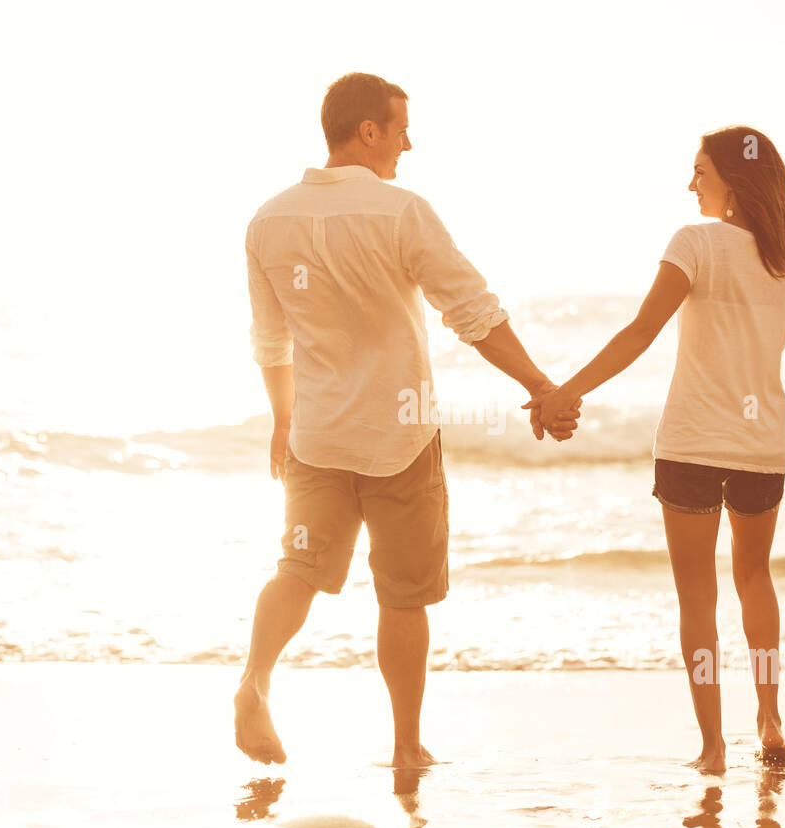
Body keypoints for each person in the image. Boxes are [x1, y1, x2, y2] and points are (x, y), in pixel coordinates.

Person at [235, 72, 581, 769]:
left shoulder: (268, 221)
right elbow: (472, 311)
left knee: (298, 568)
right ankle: (404, 745)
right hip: (401, 437)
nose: (408, 144)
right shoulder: (400, 212)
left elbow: (269, 341)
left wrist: (282, 419)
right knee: (402, 596)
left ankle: (254, 680)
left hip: (316, 435)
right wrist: (540, 384)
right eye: (399, 130)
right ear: (367, 131)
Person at [529, 126, 785, 773]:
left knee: (697, 598)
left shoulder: (694, 242)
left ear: (733, 179)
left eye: (700, 171)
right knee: (755, 580)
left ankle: (714, 748)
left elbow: (640, 330)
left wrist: (563, 392)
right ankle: (770, 717)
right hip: (760, 449)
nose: (690, 184)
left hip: (691, 445)